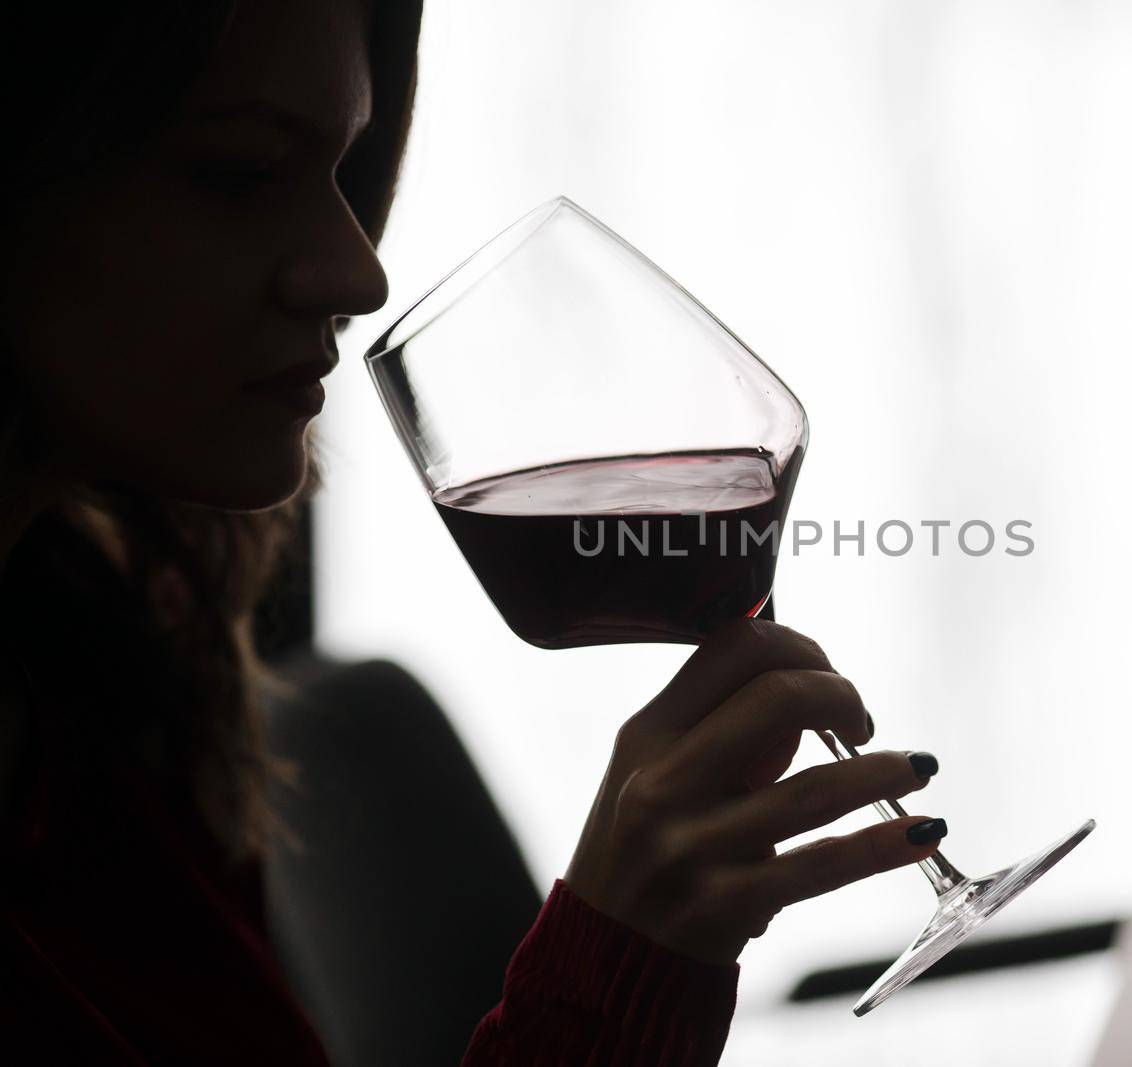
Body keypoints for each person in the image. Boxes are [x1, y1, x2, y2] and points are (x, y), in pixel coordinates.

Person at [0, 1, 948, 1063]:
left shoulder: (99, 674)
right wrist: (618, 962)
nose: (361, 275)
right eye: (239, 173)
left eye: (346, 170)